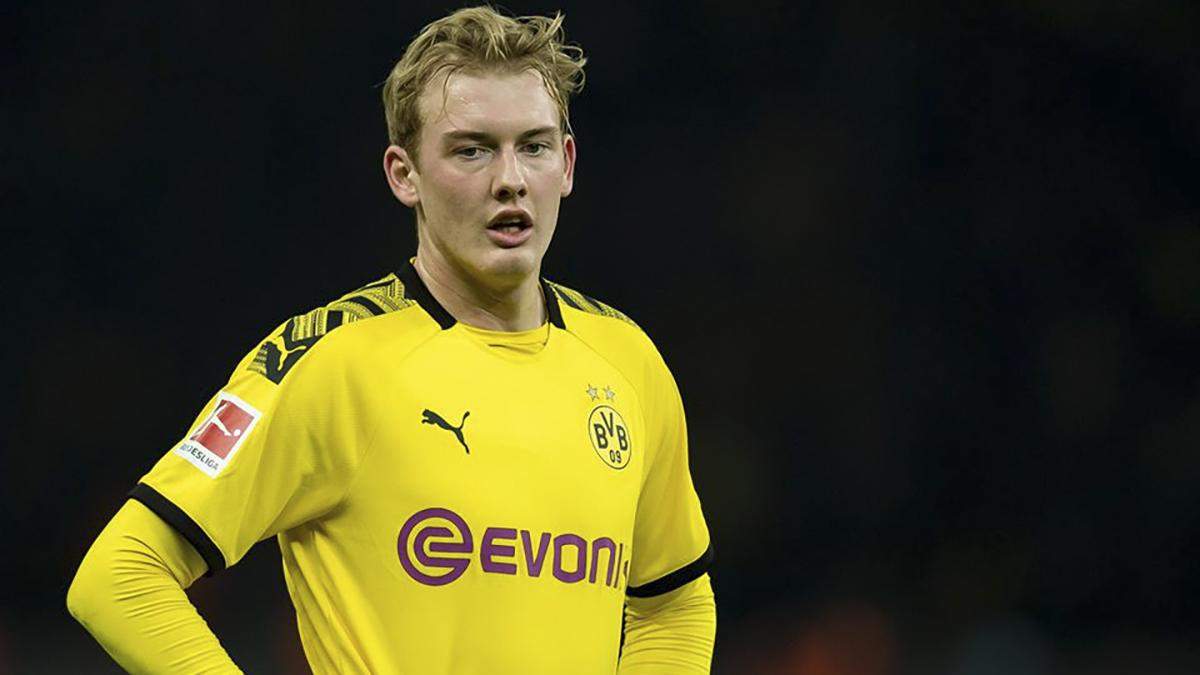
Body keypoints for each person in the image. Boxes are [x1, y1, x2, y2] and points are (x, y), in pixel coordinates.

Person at [67, 6, 715, 673]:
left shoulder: (627, 361)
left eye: (534, 146)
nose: (510, 179)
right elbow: (121, 574)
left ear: (568, 164)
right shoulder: (332, 360)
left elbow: (675, 603)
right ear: (404, 174)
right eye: (471, 149)